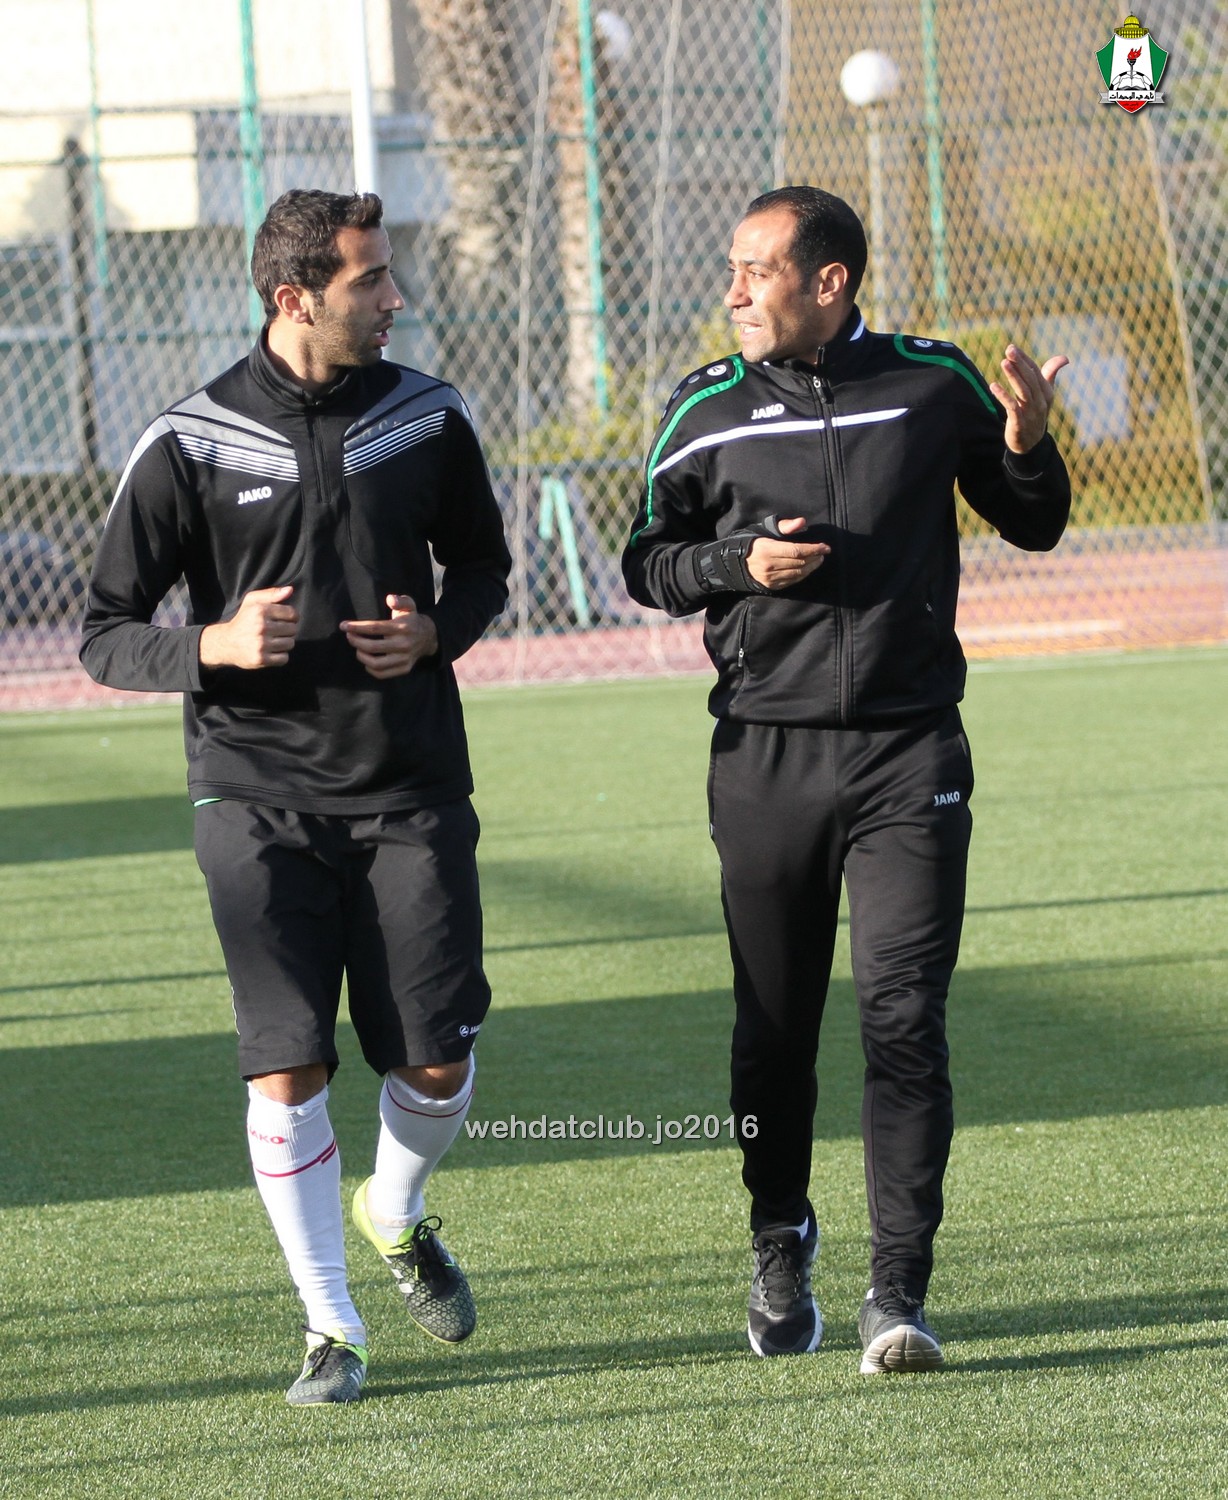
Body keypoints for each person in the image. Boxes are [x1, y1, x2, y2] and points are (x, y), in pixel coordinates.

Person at [621, 186, 1070, 1373]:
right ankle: (778, 1237)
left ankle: (898, 1294)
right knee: (772, 1033)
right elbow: (646, 562)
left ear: (829, 282)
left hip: (908, 752)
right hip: (762, 758)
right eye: (732, 267)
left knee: (903, 1018)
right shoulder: (706, 407)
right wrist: (737, 563)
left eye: (756, 270)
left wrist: (1026, 446)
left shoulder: (931, 382)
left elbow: (1032, 524)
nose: (733, 291)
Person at [80, 188, 511, 1404]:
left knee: (435, 1065)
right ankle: (332, 1328)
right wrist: (210, 647)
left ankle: (396, 1210)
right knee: (288, 1065)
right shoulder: (191, 438)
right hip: (252, 795)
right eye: (371, 280)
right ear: (295, 297)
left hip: (411, 784)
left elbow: (483, 566)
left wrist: (436, 633)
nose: (395, 299)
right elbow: (105, 631)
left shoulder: (428, 415)